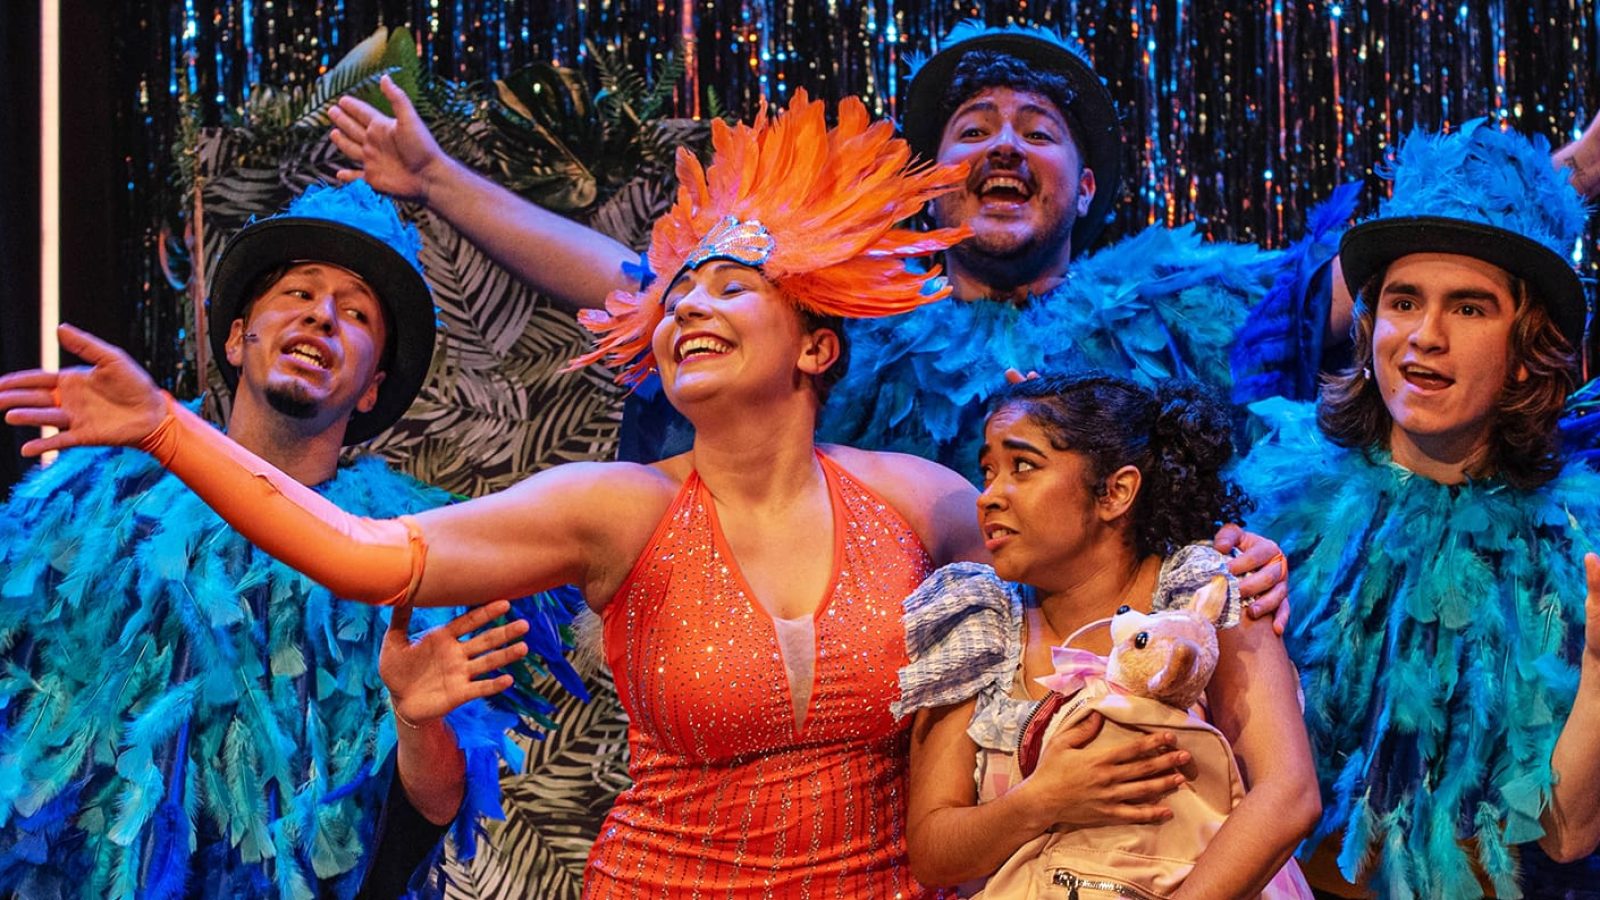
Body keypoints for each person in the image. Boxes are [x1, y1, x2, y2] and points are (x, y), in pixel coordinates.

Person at [1, 92, 998, 898]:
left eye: (728, 289)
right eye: (674, 297)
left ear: (815, 346)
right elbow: (363, 554)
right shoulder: (615, 506)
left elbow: (1048, 625)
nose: (688, 304)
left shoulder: (925, 504)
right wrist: (166, 428)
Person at [0, 181, 543, 898]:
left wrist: (417, 722)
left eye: (356, 313)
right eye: (299, 293)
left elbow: (433, 808)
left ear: (372, 386)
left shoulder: (415, 555)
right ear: (237, 338)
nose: (322, 315)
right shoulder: (92, 498)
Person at [1236, 120, 1600, 898]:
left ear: (1526, 348)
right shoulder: (1278, 510)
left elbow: (1567, 833)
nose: (1424, 337)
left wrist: (1599, 671)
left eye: (1469, 308)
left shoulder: (1572, 549)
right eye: (1404, 301)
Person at [894, 373, 1318, 897]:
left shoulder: (1204, 595)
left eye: (1022, 466)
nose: (988, 497)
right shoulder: (978, 625)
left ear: (1115, 491)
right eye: (988, 471)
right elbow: (935, 851)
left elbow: (1288, 794)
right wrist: (1042, 799)